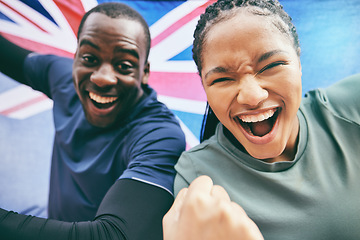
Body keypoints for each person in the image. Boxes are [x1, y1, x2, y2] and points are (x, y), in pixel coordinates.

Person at [169, 0, 360, 239]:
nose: (252, 96)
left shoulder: (350, 108)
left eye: (272, 65)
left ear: (299, 64)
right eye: (222, 79)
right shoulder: (198, 179)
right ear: (205, 87)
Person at [0, 2, 185, 239]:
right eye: (89, 58)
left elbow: (114, 235)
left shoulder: (159, 135)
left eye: (123, 66)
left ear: (145, 72)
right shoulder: (62, 78)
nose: (102, 78)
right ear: (76, 57)